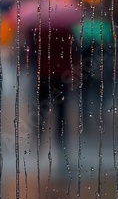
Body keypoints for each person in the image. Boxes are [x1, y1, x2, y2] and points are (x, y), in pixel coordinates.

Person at [26, 24, 79, 153]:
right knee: (61, 107)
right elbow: (73, 52)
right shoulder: (67, 31)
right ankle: (60, 136)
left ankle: (38, 134)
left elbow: (33, 52)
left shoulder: (39, 31)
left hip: (44, 74)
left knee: (42, 106)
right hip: (62, 75)